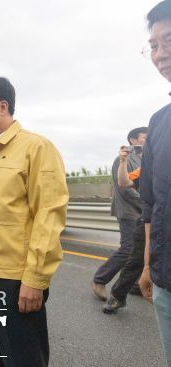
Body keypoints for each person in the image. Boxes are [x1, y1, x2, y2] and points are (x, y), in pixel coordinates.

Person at [0, 76, 68, 367]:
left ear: (2, 106)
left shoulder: (35, 148)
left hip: (14, 279)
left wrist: (35, 279)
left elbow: (49, 215)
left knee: (22, 358)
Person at [139, 2, 171, 365]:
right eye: (154, 45)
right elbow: (151, 203)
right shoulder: (159, 122)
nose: (160, 54)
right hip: (166, 282)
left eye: (169, 41)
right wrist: (148, 266)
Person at [92, 127, 147, 301]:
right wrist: (148, 202)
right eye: (144, 138)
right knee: (129, 248)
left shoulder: (145, 159)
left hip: (143, 212)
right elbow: (124, 189)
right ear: (133, 140)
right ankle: (99, 279)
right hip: (129, 211)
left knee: (145, 250)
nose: (148, 141)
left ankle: (136, 284)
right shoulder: (122, 159)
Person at [102, 143, 147, 314]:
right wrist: (123, 160)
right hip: (151, 218)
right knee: (136, 259)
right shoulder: (149, 167)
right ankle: (118, 296)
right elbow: (124, 182)